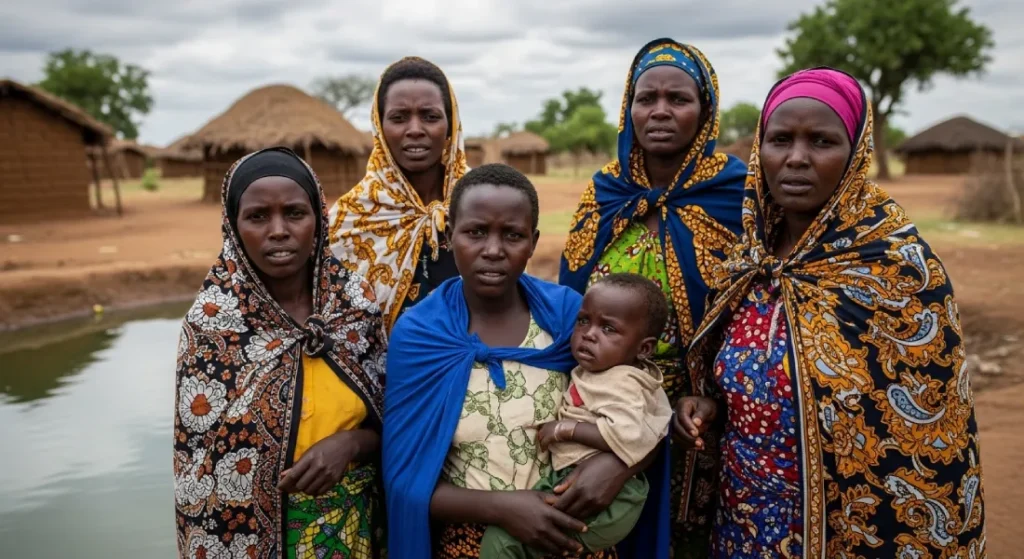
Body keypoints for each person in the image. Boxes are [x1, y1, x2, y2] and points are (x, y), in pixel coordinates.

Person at [681, 68, 986, 557]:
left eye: (821, 141)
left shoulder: (897, 272)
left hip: (846, 534)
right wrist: (712, 405)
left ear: (855, 154)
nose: (796, 158)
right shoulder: (750, 260)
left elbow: (923, 440)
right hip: (741, 519)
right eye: (780, 139)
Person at [382, 164, 671, 559]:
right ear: (449, 236)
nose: (494, 250)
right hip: (475, 544)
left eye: (513, 235)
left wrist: (618, 468)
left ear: (533, 242)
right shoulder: (420, 335)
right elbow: (404, 478)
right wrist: (505, 508)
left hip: (572, 533)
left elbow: (647, 415)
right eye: (476, 232)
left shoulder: (571, 319)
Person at [558, 38, 747, 555]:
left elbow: (754, 313)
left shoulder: (741, 198)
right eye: (647, 98)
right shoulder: (605, 194)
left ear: (704, 111)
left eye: (679, 99)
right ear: (629, 107)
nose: (660, 110)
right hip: (601, 414)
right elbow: (569, 304)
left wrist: (709, 396)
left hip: (701, 421)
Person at [173, 148, 387, 559]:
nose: (278, 230)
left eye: (294, 213)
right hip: (247, 541)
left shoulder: (354, 304)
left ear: (319, 219)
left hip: (360, 524)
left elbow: (397, 416)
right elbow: (199, 465)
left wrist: (353, 444)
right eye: (257, 217)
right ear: (232, 227)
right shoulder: (213, 323)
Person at [480, 273, 675, 558]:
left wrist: (565, 430)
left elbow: (629, 435)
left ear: (644, 348)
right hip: (580, 484)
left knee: (500, 544)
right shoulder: (604, 369)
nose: (589, 333)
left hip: (606, 498)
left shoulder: (623, 383)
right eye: (584, 321)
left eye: (608, 328)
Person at [328, 56, 468, 332]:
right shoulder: (349, 220)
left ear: (450, 124)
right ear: (379, 127)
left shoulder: (481, 203)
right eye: (399, 118)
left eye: (430, 116)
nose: (415, 130)